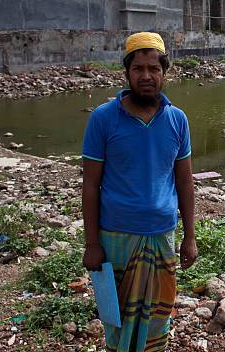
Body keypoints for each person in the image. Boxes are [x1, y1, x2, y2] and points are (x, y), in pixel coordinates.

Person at [81, 32, 197, 352]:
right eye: (138, 69)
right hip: (116, 237)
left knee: (158, 319)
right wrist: (92, 244)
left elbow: (185, 182)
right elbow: (90, 185)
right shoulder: (103, 119)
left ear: (164, 72)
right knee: (116, 319)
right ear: (127, 72)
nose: (146, 76)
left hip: (162, 236)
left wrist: (190, 236)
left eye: (154, 69)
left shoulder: (177, 120)